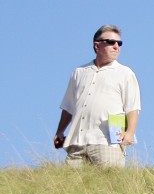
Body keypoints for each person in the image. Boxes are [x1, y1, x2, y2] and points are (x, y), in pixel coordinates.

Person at [53, 25, 141, 168]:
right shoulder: (79, 72)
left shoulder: (125, 73)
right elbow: (68, 106)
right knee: (70, 186)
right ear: (97, 45)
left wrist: (130, 132)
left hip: (108, 141)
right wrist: (60, 131)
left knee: (109, 185)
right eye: (111, 42)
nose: (116, 46)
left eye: (120, 43)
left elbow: (133, 107)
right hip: (77, 142)